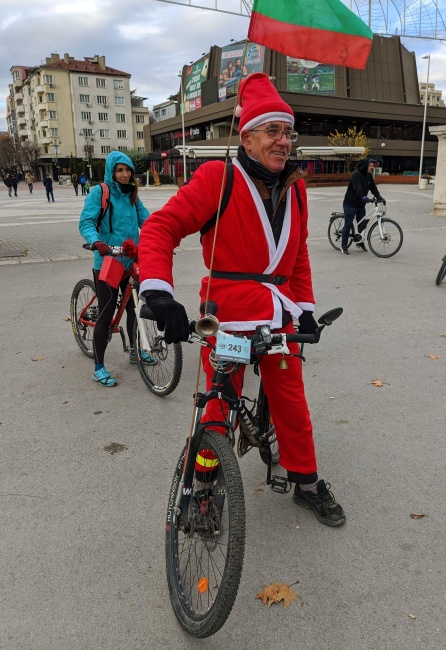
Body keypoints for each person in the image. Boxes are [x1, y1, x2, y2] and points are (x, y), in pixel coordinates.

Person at [138, 73, 346, 527]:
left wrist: (306, 307)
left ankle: (306, 483)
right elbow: (160, 228)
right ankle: (204, 489)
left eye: (287, 132)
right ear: (247, 136)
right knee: (218, 403)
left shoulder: (296, 188)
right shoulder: (219, 177)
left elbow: (300, 252)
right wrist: (158, 289)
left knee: (292, 400)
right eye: (272, 131)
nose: (283, 141)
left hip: (280, 315)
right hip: (229, 315)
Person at [79, 151, 156, 387]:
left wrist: (159, 239)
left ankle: (135, 350)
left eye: (128, 170)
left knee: (135, 307)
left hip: (130, 260)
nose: (124, 174)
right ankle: (99, 367)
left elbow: (148, 220)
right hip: (109, 261)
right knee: (106, 315)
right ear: (112, 171)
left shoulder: (132, 194)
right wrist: (97, 241)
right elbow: (86, 221)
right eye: (120, 170)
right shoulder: (100, 192)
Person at [341, 158, 386, 255]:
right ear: (365, 166)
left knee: (362, 225)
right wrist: (363, 197)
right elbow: (358, 188)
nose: (372, 167)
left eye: (372, 166)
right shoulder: (356, 175)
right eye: (370, 166)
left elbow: (373, 187)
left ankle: (360, 243)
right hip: (350, 204)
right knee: (348, 224)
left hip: (361, 205)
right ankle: (344, 245)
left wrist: (379, 197)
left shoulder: (369, 176)